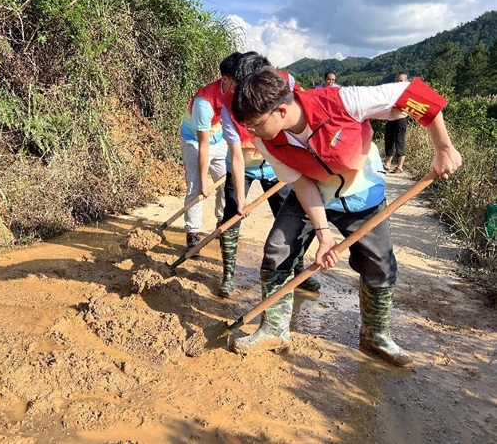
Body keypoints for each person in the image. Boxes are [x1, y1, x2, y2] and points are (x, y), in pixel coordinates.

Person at [229, 68, 462, 366]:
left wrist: (443, 147)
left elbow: (416, 94)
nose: (252, 133)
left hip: (362, 195)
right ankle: (274, 328)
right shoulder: (266, 139)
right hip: (312, 194)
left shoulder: (343, 101)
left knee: (379, 264)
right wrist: (324, 234)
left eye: (256, 124)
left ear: (281, 109)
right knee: (278, 250)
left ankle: (375, 335)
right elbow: (301, 183)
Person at [218, 52, 320, 298]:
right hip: (243, 165)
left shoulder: (286, 84)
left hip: (278, 167)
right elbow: (237, 155)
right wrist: (241, 198)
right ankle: (228, 275)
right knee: (231, 216)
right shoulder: (229, 108)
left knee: (291, 223)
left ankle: (298, 269)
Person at [180, 52, 241, 253]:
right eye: (237, 78)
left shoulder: (235, 92)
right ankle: (193, 232)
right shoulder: (203, 102)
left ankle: (221, 223)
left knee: (226, 183)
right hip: (195, 140)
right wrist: (205, 182)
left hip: (218, 138)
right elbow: (203, 145)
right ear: (225, 78)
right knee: (196, 186)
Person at [384, 72, 410, 173]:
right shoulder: (393, 91)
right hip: (391, 119)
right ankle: (387, 164)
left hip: (401, 119)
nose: (398, 82)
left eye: (401, 80)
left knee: (400, 141)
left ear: (406, 81)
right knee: (389, 141)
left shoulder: (408, 93)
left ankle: (400, 166)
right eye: (397, 80)